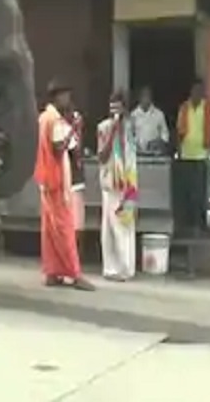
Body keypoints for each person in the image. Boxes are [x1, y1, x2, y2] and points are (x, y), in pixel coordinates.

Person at [33, 78, 95, 291]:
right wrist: (74, 128)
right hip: (57, 181)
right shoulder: (55, 120)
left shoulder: (43, 118)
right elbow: (59, 147)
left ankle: (52, 272)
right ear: (57, 97)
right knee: (65, 229)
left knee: (50, 230)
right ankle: (74, 274)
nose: (68, 99)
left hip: (45, 179)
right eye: (65, 95)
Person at [97, 90, 139, 281]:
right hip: (109, 184)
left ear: (124, 108)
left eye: (118, 106)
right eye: (111, 106)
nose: (114, 110)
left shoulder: (131, 128)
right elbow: (102, 156)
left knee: (125, 225)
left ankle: (126, 268)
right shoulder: (103, 127)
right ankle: (111, 268)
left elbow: (131, 156)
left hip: (128, 184)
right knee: (110, 229)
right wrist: (112, 131)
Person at [173, 79, 210, 234]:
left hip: (201, 156)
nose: (197, 93)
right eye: (195, 90)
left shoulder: (209, 108)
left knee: (200, 193)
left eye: (200, 90)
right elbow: (179, 131)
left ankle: (200, 224)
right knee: (187, 192)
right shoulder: (184, 108)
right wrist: (178, 151)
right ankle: (187, 224)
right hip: (186, 155)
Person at [63, 105, 87, 250]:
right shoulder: (62, 131)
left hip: (76, 182)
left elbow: (78, 154)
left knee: (78, 224)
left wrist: (77, 131)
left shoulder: (75, 137)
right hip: (65, 182)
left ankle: (77, 255)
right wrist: (73, 129)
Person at [130, 86, 170, 155]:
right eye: (144, 96)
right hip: (138, 154)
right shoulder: (133, 115)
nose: (146, 98)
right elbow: (129, 135)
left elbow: (165, 134)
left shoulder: (159, 114)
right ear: (139, 98)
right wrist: (135, 144)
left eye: (148, 96)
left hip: (155, 154)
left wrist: (159, 142)